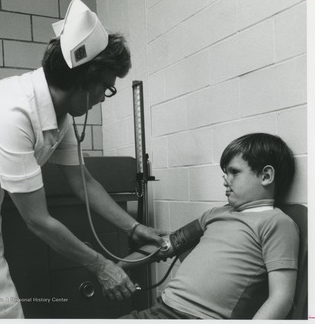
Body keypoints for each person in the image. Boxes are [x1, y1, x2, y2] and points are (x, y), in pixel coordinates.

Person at [0, 0, 164, 319]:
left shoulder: (60, 114)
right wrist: (103, 267)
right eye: (106, 88)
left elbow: (83, 182)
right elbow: (37, 220)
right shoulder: (11, 112)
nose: (102, 98)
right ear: (85, 80)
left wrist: (134, 227)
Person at [119, 133, 300, 320]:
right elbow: (167, 244)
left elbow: (281, 297)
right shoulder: (215, 213)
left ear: (266, 176)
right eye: (225, 173)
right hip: (160, 310)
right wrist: (121, 264)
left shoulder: (277, 223)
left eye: (234, 172)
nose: (225, 180)